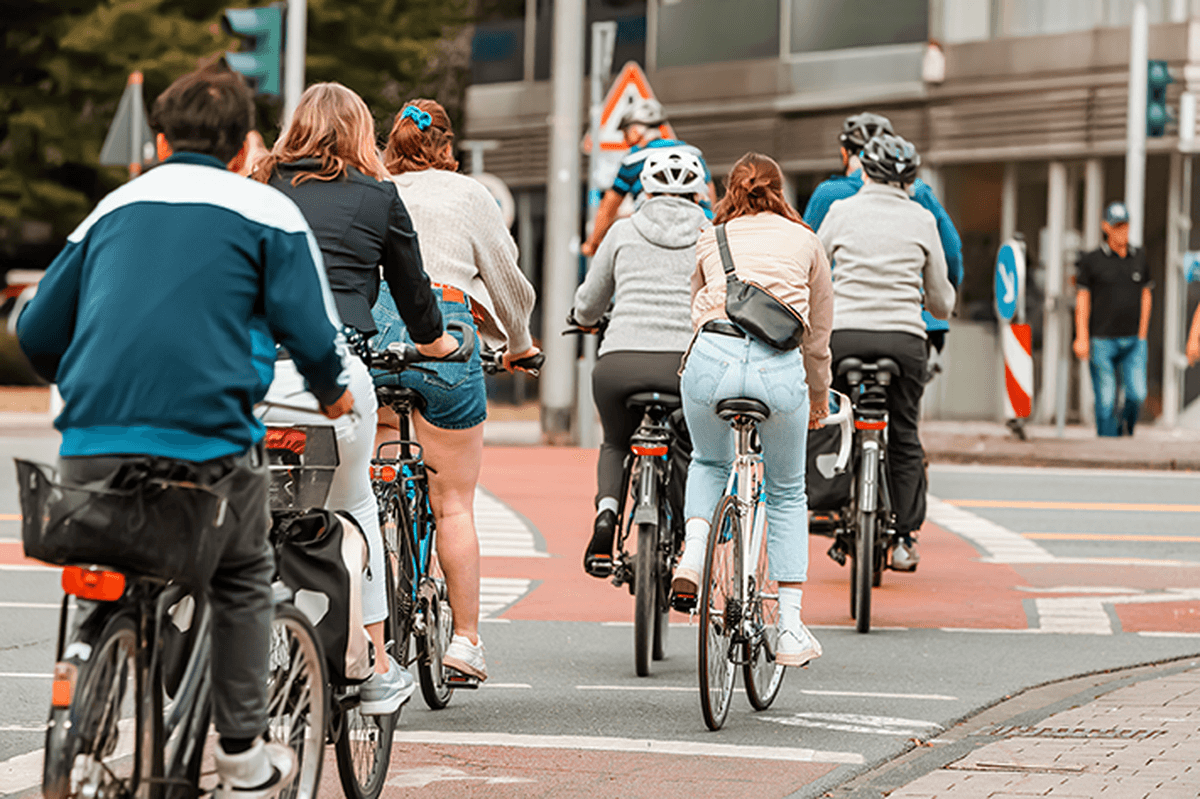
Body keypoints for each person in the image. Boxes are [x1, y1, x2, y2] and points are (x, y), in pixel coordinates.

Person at [15, 65, 348, 798]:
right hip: (207, 447)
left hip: (90, 447)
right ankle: (239, 757)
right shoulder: (265, 210)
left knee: (114, 554)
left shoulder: (112, 207)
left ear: (160, 139)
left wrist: (80, 378)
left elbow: (35, 328)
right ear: (240, 148)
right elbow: (315, 336)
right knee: (243, 574)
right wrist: (333, 397)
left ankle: (98, 684)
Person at [251, 83, 458, 714]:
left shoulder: (261, 189)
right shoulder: (377, 196)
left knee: (248, 513)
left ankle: (245, 652)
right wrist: (437, 341)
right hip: (332, 377)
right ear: (360, 132)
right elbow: (413, 288)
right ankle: (373, 665)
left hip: (254, 376)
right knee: (355, 508)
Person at [372, 98, 539, 682]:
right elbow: (507, 280)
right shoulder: (470, 195)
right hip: (443, 331)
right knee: (454, 503)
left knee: (368, 485)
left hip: (372, 337)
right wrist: (519, 343)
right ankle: (465, 641)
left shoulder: (372, 185)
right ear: (448, 147)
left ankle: (366, 628)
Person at [672, 152, 833, 667]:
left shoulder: (709, 237)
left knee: (708, 462)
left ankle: (694, 554)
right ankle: (788, 629)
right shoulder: (807, 241)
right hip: (778, 369)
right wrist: (817, 396)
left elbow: (696, 308)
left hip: (710, 360)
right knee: (786, 492)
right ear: (780, 190)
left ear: (730, 189)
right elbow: (819, 337)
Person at [817, 134, 956, 572]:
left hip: (846, 337)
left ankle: (830, 503)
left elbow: (815, 271)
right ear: (909, 179)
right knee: (905, 432)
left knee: (835, 417)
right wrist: (935, 305)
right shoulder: (921, 219)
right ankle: (903, 537)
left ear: (865, 170)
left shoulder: (840, 211)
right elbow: (940, 300)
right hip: (903, 339)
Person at [571, 150, 709, 577]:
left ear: (645, 190)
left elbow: (590, 300)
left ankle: (607, 515)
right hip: (686, 366)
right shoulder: (711, 232)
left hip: (619, 363)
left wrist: (584, 320)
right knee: (697, 447)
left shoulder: (621, 231)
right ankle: (690, 538)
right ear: (697, 192)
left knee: (615, 441)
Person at [803, 112, 963, 374]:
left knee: (831, 396)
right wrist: (945, 293)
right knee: (904, 401)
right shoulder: (918, 192)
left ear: (846, 154)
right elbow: (951, 252)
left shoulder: (830, 195)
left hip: (843, 321)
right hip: (909, 322)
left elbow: (807, 254)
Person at [580, 98, 716, 256]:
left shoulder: (633, 160)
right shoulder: (693, 153)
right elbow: (709, 194)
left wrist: (593, 242)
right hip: (700, 233)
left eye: (625, 131)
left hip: (657, 235)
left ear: (636, 130)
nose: (624, 139)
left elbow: (609, 207)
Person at [1073, 201, 1153, 437]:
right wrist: (1082, 337)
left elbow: (1146, 296)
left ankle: (1125, 430)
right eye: (1117, 226)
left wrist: (1143, 333)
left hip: (1133, 340)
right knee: (1106, 399)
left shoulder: (1139, 257)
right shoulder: (1092, 260)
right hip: (1101, 340)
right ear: (1106, 227)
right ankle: (1107, 445)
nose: (1122, 231)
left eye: (1125, 225)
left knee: (1137, 393)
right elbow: (1083, 300)